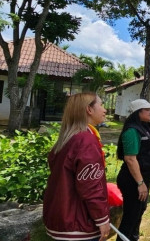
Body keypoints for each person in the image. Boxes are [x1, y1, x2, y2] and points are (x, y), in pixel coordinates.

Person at [43, 93, 110, 241]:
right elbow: (90, 186)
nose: (105, 110)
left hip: (60, 218)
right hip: (78, 224)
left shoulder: (68, 138)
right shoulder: (86, 139)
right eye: (101, 105)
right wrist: (102, 218)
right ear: (89, 110)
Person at [116, 99, 150, 241]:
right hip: (133, 180)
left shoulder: (145, 127)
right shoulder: (132, 130)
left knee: (139, 211)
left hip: (143, 179)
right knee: (130, 216)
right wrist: (140, 183)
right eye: (147, 110)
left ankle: (134, 237)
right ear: (138, 113)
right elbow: (130, 159)